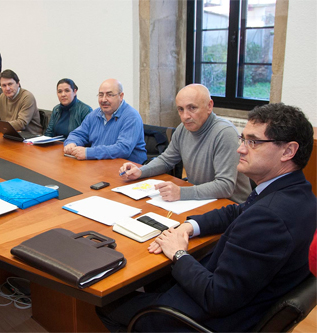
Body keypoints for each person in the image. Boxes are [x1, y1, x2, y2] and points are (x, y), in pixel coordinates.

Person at [97, 103, 316, 332]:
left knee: (108, 305)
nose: (240, 149)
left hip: (216, 319)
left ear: (288, 151)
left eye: (253, 142)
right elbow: (238, 211)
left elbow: (217, 297)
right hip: (247, 298)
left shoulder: (269, 218)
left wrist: (179, 253)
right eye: (243, 139)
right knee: (154, 276)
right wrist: (190, 226)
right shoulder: (298, 194)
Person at [119, 84, 251, 203]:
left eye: (192, 108)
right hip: (200, 199)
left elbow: (225, 186)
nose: (185, 116)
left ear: (209, 106)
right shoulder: (183, 128)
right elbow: (166, 160)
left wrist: (181, 192)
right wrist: (141, 171)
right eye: (180, 109)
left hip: (230, 205)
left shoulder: (224, 133)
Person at [63, 79, 147, 164]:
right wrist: (71, 143)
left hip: (127, 170)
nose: (103, 99)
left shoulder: (131, 117)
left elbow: (123, 149)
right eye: (100, 95)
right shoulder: (94, 115)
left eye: (109, 95)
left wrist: (89, 153)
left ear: (121, 96)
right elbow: (77, 134)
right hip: (99, 165)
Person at [0, 69, 43, 135]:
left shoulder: (27, 97)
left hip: (30, 138)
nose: (7, 88)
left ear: (18, 83)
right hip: (10, 134)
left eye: (10, 84)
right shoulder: (3, 96)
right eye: (4, 85)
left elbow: (21, 123)